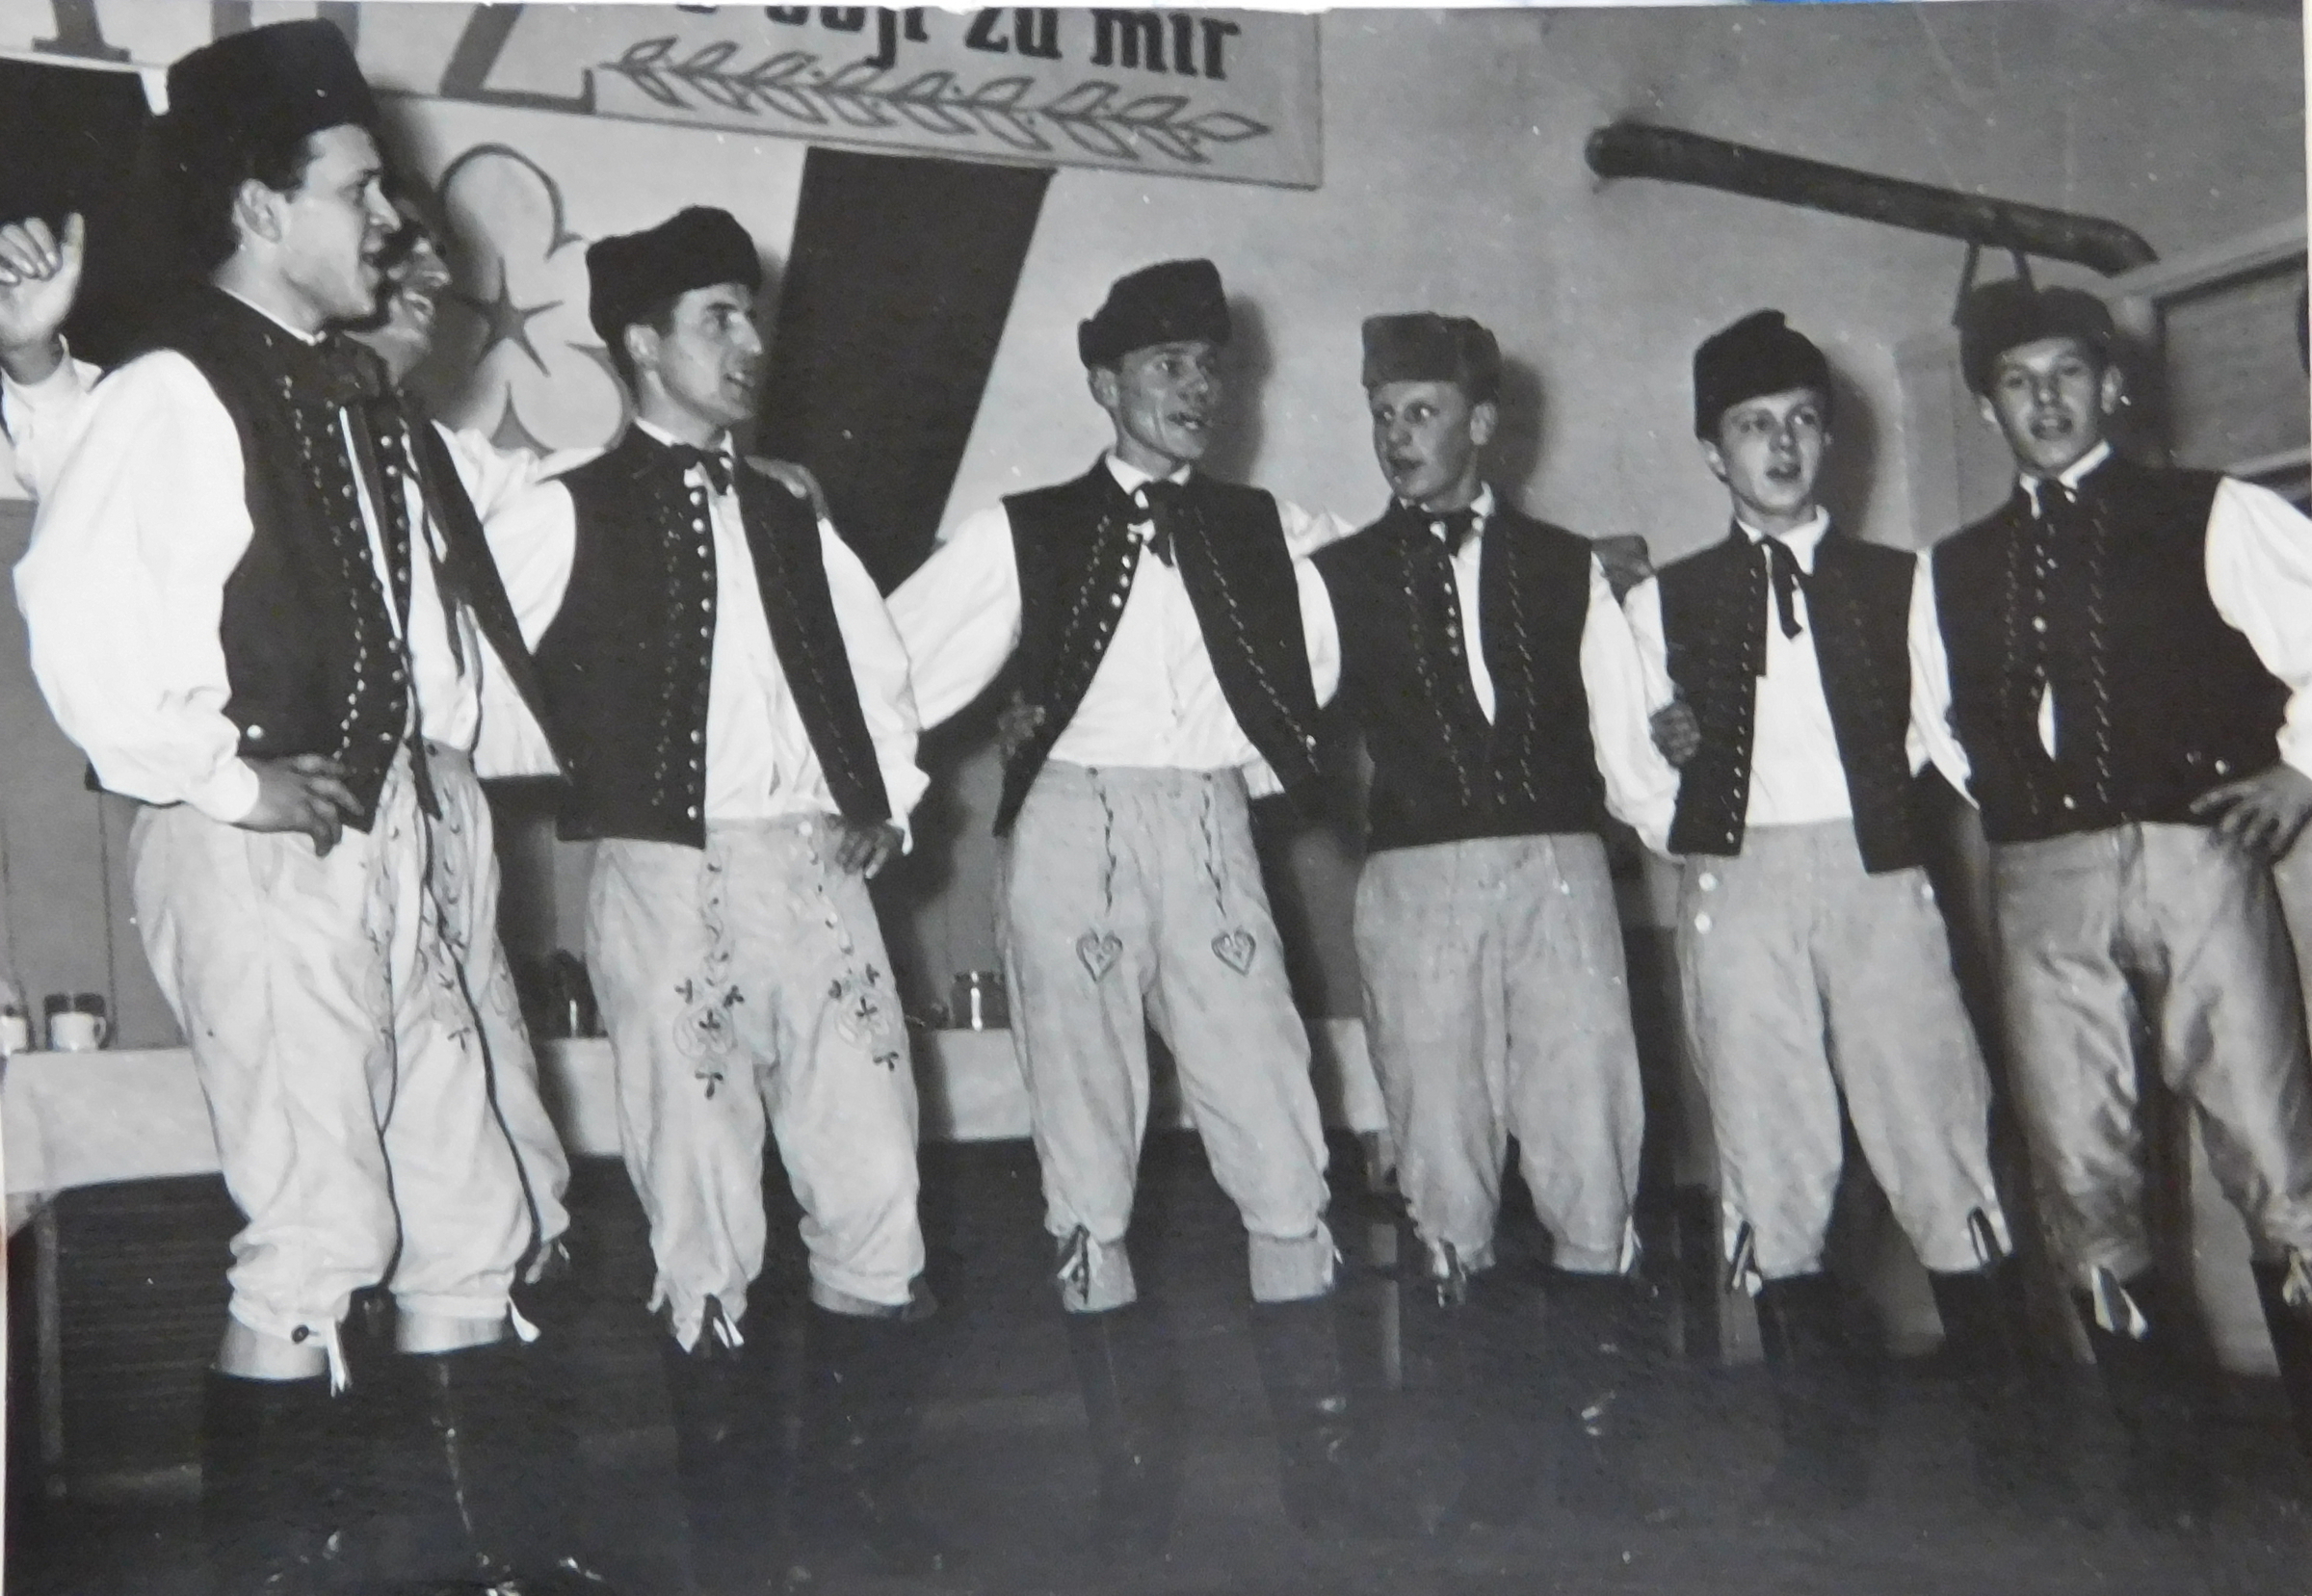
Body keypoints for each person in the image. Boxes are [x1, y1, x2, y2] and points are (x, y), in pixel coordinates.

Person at [0, 21, 606, 1593]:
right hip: (265, 849)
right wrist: (224, 775)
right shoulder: (178, 387)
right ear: (263, 209)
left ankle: (485, 1568)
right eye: (358, 189)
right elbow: (82, 607)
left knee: (468, 1215)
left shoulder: (352, 401)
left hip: (386, 835)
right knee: (319, 1235)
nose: (390, 219)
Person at [889, 259, 1401, 1557]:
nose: (1196, 388)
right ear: (1106, 385)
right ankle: (1130, 1480)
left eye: (1210, 366)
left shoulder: (1277, 530)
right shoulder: (1022, 529)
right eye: (1167, 366)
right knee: (1086, 1143)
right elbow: (884, 666)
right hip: (1072, 828)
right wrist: (873, 798)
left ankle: (1325, 1473)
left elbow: (1373, 616)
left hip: (1211, 828)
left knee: (1280, 1133)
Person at [471, 204, 950, 1585]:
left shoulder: (792, 507)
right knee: (704, 1203)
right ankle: (737, 1549)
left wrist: (882, 798)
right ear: (640, 344)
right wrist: (586, 778)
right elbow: (470, 672)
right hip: (668, 883)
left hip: (817, 875)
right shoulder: (564, 507)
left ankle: (858, 1530)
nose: (750, 342)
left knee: (877, 1183)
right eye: (717, 318)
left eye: (754, 314)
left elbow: (881, 670)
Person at [1623, 309, 2037, 1514]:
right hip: (1738, 884)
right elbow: (1633, 770)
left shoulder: (1906, 583)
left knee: (1936, 1128)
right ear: (1714, 451)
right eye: (1754, 426)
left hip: (1879, 874)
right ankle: (1817, 1454)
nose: (1782, 445)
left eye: (1803, 421)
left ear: (1830, 439)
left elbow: (1955, 739)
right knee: (1773, 1147)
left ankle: (2016, 1450)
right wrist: (1682, 781)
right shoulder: (1661, 603)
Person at [1921, 278, 2312, 1516]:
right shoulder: (1951, 567)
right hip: (2043, 883)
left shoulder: (2216, 511)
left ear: (2114, 385)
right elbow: (1943, 731)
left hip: (2195, 859)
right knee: (2082, 1173)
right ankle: (2166, 1469)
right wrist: (2039, 822)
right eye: (2017, 381)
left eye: (2069, 374)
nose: (2046, 401)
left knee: (2277, 1155)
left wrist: (2301, 768)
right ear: (1987, 406)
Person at [1302, 312, 1671, 1530]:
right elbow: (1264, 710)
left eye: (1420, 411)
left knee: (1589, 1133)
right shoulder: (1337, 575)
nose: (1395, 434)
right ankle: (1480, 1458)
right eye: (1382, 413)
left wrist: (1694, 804)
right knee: (1441, 1153)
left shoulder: (1572, 568)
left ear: (1483, 423)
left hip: (1561, 873)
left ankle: (1598, 1452)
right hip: (1415, 887)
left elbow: (1634, 755)